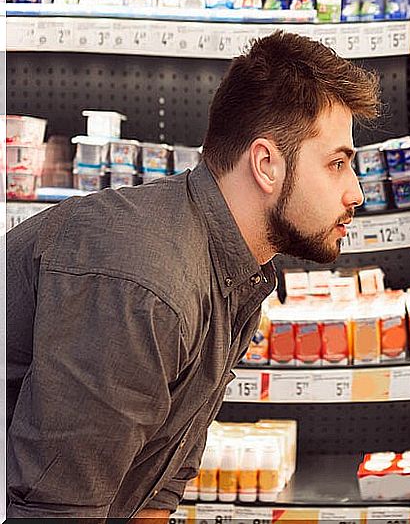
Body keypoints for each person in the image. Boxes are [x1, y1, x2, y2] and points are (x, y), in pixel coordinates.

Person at [5, 31, 379, 520]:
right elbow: (56, 512)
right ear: (266, 164)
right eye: (337, 164)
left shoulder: (238, 272)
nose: (356, 193)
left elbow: (158, 477)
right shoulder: (147, 285)